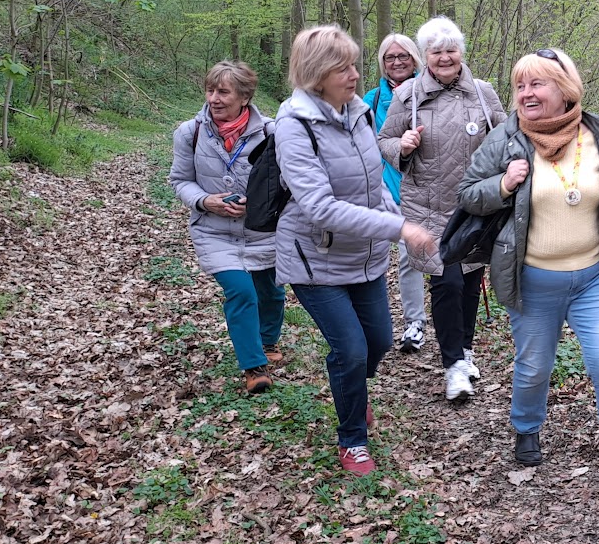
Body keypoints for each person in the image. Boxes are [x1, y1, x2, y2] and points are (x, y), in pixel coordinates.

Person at [458, 47, 599, 486]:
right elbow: (468, 194)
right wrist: (503, 184)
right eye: (520, 85)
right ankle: (527, 428)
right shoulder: (506, 139)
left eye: (537, 84)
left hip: (594, 277)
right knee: (533, 367)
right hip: (532, 280)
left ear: (565, 90)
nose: (526, 93)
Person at [273, 24, 437, 476]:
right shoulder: (294, 126)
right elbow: (320, 208)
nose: (354, 74)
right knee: (351, 350)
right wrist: (398, 228)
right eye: (341, 67)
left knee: (378, 342)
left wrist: (397, 213)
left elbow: (373, 182)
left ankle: (352, 389)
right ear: (316, 74)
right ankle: (352, 438)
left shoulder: (359, 112)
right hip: (314, 258)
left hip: (363, 256)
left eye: (353, 64)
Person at [378, 16, 505, 402]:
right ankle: (453, 367)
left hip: (475, 207)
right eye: (436, 52)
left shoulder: (483, 93)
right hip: (427, 208)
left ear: (461, 52)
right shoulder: (408, 95)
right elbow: (384, 140)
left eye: (451, 50)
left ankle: (464, 351)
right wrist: (402, 146)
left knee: (469, 283)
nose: (445, 57)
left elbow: (507, 136)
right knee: (447, 283)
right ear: (426, 56)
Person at [169, 61, 288, 396]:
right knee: (241, 291)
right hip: (214, 231)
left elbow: (286, 182)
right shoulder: (189, 133)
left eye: (223, 92)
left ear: (245, 97)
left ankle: (267, 340)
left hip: (263, 230)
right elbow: (180, 180)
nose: (214, 99)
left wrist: (257, 203)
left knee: (271, 292)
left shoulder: (272, 132)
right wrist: (205, 201)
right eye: (210, 90)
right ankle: (254, 367)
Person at [363, 33, 431, 353]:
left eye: (403, 56)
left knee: (416, 256)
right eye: (390, 57)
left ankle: (421, 322)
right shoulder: (372, 99)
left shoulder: (429, 92)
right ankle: (398, 322)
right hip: (382, 189)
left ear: (414, 59)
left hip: (424, 187)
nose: (397, 62)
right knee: (379, 256)